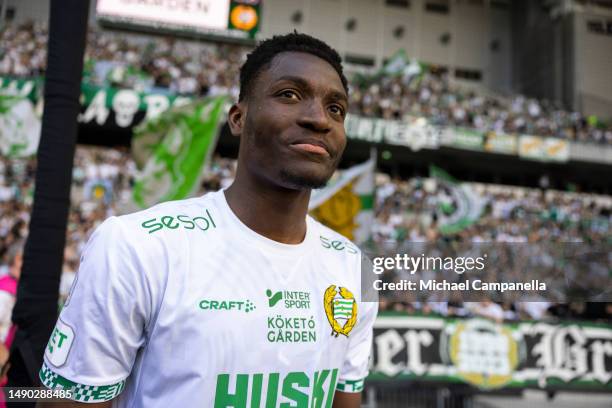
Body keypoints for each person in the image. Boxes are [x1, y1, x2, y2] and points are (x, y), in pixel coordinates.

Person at [39, 33, 378, 407]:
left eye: (336, 109)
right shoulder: (137, 246)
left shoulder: (352, 268)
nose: (319, 119)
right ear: (238, 117)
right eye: (289, 95)